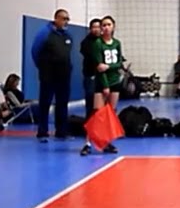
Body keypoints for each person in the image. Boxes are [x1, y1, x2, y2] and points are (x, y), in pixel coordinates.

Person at [82, 16, 125, 155]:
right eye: (104, 25)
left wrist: (109, 66)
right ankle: (88, 143)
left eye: (109, 25)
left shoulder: (117, 43)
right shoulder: (97, 43)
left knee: (110, 114)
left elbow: (119, 63)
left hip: (115, 82)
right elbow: (99, 67)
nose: (106, 27)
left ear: (113, 27)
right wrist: (105, 86)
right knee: (97, 114)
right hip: (102, 83)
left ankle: (106, 142)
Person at [31, 9, 74, 143]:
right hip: (48, 76)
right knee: (45, 103)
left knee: (62, 103)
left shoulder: (67, 36)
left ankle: (61, 131)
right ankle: (42, 132)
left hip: (64, 76)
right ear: (56, 19)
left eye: (67, 19)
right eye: (63, 19)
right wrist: (44, 67)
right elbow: (35, 51)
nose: (66, 22)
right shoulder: (45, 33)